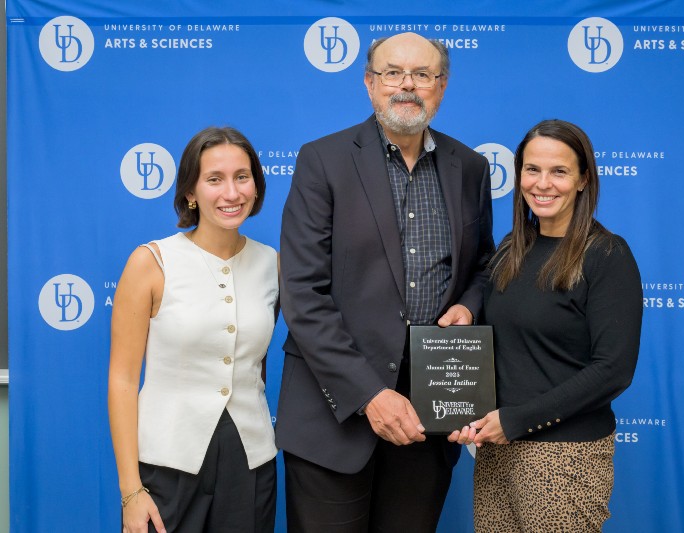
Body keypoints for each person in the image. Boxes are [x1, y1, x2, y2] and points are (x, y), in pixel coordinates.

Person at [277, 32, 495, 532]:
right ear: (370, 83)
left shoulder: (472, 168)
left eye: (422, 74)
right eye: (393, 72)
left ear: (442, 86)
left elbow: (484, 263)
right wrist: (370, 394)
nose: (407, 85)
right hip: (333, 415)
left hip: (429, 416)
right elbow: (303, 295)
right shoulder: (323, 160)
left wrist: (469, 303)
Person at [462, 119, 643, 531]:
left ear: (582, 180)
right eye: (532, 169)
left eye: (559, 171)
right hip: (496, 451)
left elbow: (613, 369)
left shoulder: (607, 256)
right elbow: (499, 349)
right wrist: (459, 408)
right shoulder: (512, 248)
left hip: (567, 457)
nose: (543, 184)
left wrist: (519, 420)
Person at [108, 126, 279, 533]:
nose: (232, 193)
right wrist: (131, 491)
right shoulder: (152, 261)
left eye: (242, 177)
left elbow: (257, 362)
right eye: (214, 179)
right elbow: (123, 380)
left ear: (256, 186)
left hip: (251, 464)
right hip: (166, 467)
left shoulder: (272, 263)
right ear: (190, 192)